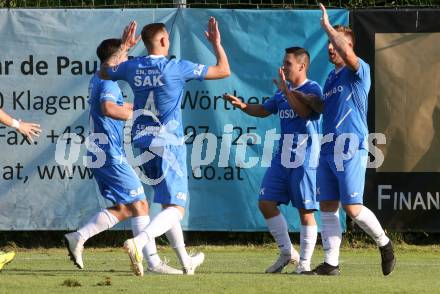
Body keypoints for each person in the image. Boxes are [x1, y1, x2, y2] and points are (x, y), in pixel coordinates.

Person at [100, 17, 230, 275]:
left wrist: (124, 47)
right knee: (177, 208)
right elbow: (223, 69)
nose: (168, 41)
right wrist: (216, 43)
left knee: (168, 205)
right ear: (161, 40)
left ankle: (186, 262)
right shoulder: (176, 67)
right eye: (167, 38)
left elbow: (104, 72)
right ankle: (139, 242)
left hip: (142, 142)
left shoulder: (132, 66)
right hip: (168, 142)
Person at [64, 38, 182, 275]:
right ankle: (152, 262)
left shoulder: (99, 76)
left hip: (101, 151)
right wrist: (136, 117)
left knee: (127, 208)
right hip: (108, 153)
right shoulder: (109, 83)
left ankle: (79, 236)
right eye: (125, 58)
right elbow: (108, 108)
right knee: (140, 204)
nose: (127, 64)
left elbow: (114, 101)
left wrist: (135, 107)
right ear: (117, 60)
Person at [300, 4, 396, 276]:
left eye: (335, 44)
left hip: (351, 146)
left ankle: (384, 243)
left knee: (352, 208)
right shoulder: (331, 78)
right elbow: (322, 109)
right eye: (329, 44)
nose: (330, 48)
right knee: (328, 206)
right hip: (328, 148)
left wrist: (329, 29)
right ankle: (331, 263)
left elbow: (346, 52)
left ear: (348, 47)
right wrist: (305, 99)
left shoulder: (358, 71)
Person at [223, 47, 322, 274]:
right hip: (282, 157)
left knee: (305, 211)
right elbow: (264, 110)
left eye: (288, 63)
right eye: (284, 63)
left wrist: (287, 92)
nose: (284, 67)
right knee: (265, 202)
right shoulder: (281, 93)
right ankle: (287, 253)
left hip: (304, 157)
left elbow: (305, 113)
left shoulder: (312, 88)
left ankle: (305, 263)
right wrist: (243, 106)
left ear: (301, 66)